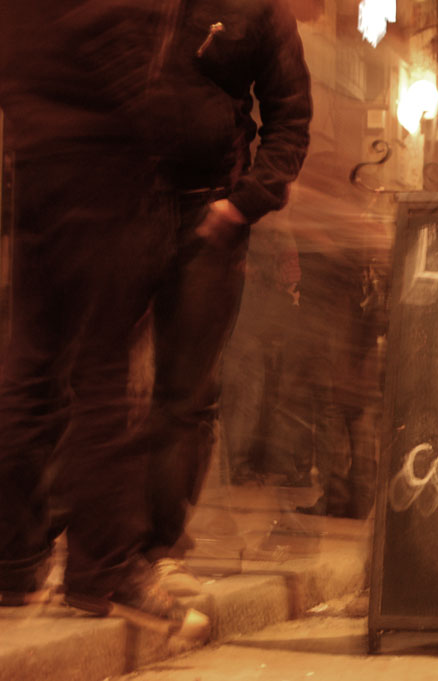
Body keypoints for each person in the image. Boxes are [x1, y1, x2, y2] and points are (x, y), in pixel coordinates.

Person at [0, 0, 210, 643]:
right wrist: (181, 130)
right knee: (107, 382)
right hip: (103, 173)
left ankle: (11, 561)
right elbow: (125, 51)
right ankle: (103, 572)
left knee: (30, 368)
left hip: (35, 162)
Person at [135, 0, 312, 588]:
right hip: (119, 204)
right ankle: (75, 540)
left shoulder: (261, 9)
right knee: (90, 376)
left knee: (186, 392)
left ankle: (155, 545)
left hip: (209, 212)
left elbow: (291, 116)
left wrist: (245, 201)